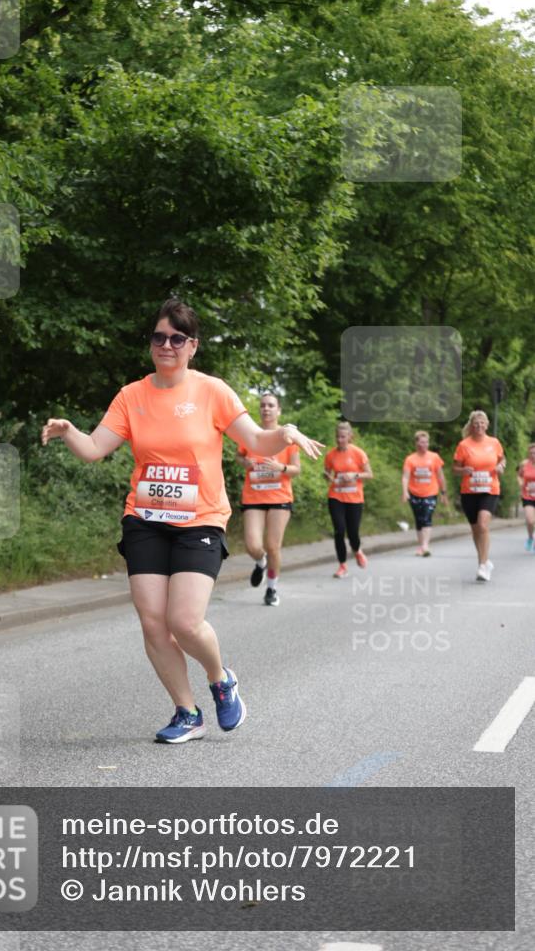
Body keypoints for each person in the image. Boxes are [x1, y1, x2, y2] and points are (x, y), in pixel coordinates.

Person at [41, 299, 323, 743]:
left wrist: (284, 434)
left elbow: (255, 440)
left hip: (200, 520)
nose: (166, 345)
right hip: (145, 519)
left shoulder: (212, 391)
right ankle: (186, 712)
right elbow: (95, 448)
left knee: (185, 621)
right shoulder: (132, 395)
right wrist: (69, 432)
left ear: (192, 345)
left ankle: (220, 679)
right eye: (158, 337)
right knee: (153, 622)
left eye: (176, 338)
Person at [236, 392, 301, 607]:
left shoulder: (288, 437)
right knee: (253, 545)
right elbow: (239, 456)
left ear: (278, 410)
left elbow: (295, 470)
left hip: (279, 496)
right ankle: (259, 561)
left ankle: (272, 588)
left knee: (273, 546)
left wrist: (279, 467)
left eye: (271, 405)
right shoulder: (252, 434)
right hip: (254, 495)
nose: (266, 408)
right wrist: (245, 463)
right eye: (263, 405)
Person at [452, 410, 506, 582]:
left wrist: (501, 467)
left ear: (487, 425)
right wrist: (463, 470)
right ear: (472, 426)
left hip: (490, 489)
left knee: (483, 525)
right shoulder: (464, 445)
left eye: (482, 423)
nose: (479, 426)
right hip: (469, 491)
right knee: (476, 529)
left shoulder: (494, 443)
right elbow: (454, 469)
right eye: (476, 424)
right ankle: (483, 561)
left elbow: (502, 459)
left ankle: (482, 565)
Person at [324, 421, 373, 579]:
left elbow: (369, 474)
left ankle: (357, 550)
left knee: (353, 533)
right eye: (337, 437)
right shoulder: (331, 455)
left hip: (354, 498)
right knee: (339, 530)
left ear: (350, 437)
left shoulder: (358, 453)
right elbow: (327, 473)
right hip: (336, 496)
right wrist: (328, 477)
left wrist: (354, 475)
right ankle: (342, 565)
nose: (339, 440)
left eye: (343, 437)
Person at [401, 430, 448, 556]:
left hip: (431, 492)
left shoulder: (434, 457)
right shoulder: (410, 459)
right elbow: (405, 477)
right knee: (419, 519)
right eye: (421, 442)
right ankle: (421, 546)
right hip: (414, 493)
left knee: (427, 517)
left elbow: (440, 476)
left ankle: (425, 546)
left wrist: (444, 493)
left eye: (426, 442)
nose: (424, 445)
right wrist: (405, 492)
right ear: (416, 443)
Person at [516, 442, 535, 552]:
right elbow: (519, 475)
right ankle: (530, 538)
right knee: (530, 520)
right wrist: (520, 483)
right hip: (528, 495)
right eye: (531, 453)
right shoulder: (524, 464)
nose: (533, 455)